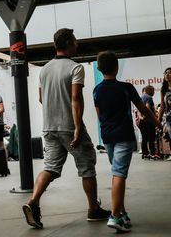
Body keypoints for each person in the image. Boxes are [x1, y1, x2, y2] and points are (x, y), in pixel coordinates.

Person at [22, 28, 110, 229]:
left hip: (49, 127)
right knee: (87, 166)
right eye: (75, 41)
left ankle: (33, 201)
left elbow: (41, 98)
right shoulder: (75, 68)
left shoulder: (44, 69)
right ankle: (93, 209)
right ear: (69, 43)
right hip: (69, 127)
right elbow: (76, 98)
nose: (77, 44)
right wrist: (77, 127)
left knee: (50, 167)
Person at [93, 51, 162, 232]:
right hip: (123, 135)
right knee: (119, 173)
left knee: (117, 173)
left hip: (108, 136)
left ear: (99, 69)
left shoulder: (97, 90)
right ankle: (115, 216)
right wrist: (158, 124)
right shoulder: (126, 87)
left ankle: (121, 212)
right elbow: (144, 111)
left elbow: (99, 115)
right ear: (116, 67)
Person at [138, 85, 158, 159]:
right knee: (151, 138)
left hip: (143, 121)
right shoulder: (149, 98)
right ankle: (153, 154)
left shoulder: (142, 97)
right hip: (149, 121)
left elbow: (139, 109)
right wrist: (154, 116)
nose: (154, 92)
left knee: (144, 138)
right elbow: (147, 108)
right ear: (150, 90)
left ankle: (145, 153)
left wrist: (141, 117)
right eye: (153, 91)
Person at [157, 67, 171, 160]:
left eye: (169, 73)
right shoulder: (164, 89)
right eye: (165, 73)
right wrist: (158, 120)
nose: (167, 74)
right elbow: (162, 105)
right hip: (169, 118)